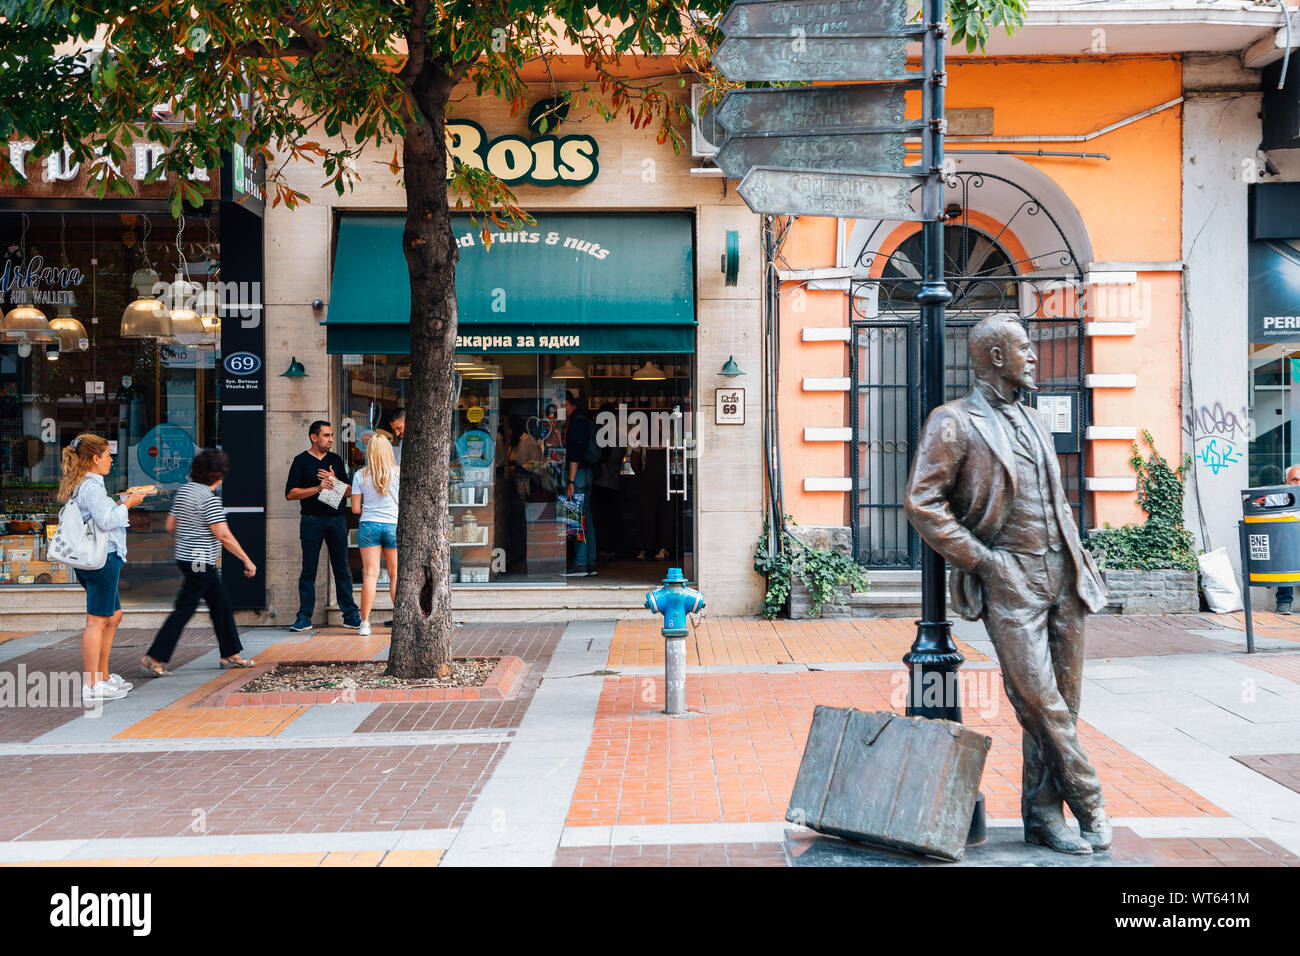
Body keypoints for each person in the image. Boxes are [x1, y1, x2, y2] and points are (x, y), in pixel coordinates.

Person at [905, 313, 1112, 856]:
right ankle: (1090, 800)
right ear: (996, 356)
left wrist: (1077, 558)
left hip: (1064, 575)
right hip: (1010, 576)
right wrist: (983, 560)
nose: (1036, 356)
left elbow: (1055, 500)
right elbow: (922, 502)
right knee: (1039, 702)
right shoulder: (953, 421)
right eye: (1026, 348)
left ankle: (1043, 816)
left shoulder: (1037, 421)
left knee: (1064, 702)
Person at [141, 449, 257, 676]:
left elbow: (170, 526)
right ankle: (154, 657)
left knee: (221, 604)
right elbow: (223, 535)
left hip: (188, 558)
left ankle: (230, 654)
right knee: (185, 609)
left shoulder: (185, 491)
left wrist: (191, 529)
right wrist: (247, 560)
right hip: (200, 561)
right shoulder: (208, 499)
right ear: (219, 474)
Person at [58, 434, 148, 703]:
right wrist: (128, 504)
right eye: (108, 456)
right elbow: (107, 521)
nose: (111, 460)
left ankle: (103, 676)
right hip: (102, 559)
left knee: (114, 615)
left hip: (102, 558)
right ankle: (92, 683)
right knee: (96, 621)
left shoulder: (84, 485)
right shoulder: (92, 487)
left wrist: (122, 502)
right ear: (95, 459)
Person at [285, 421, 360, 631]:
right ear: (314, 437)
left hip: (336, 520)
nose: (331, 439)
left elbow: (349, 491)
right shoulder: (300, 461)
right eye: (326, 435)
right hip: (311, 520)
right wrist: (318, 487)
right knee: (309, 569)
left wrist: (334, 480)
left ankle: (351, 615)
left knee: (342, 568)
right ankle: (304, 617)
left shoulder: (335, 459)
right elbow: (290, 494)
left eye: (332, 435)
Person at [351, 433, 399, 636]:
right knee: (394, 574)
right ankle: (400, 620)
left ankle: (364, 623)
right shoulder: (398, 473)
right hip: (393, 525)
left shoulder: (360, 475)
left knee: (370, 574)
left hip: (369, 525)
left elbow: (354, 509)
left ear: (369, 452)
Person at [563, 391, 597, 576]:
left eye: (558, 405)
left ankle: (580, 565)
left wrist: (570, 481)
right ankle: (590, 563)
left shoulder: (577, 421)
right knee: (587, 518)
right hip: (587, 473)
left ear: (567, 402)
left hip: (578, 475)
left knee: (576, 518)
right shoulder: (584, 418)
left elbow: (574, 452)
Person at [591, 402, 623, 563]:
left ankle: (600, 550)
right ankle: (609, 549)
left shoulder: (601, 434)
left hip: (599, 482)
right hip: (614, 481)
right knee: (610, 519)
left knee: (598, 518)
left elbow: (597, 457)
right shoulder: (620, 435)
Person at [1266, 464, 1300, 613]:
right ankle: (1284, 601)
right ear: (1286, 481)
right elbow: (1272, 525)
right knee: (1286, 543)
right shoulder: (1276, 496)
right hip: (1285, 543)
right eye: (1294, 480)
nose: (1298, 484)